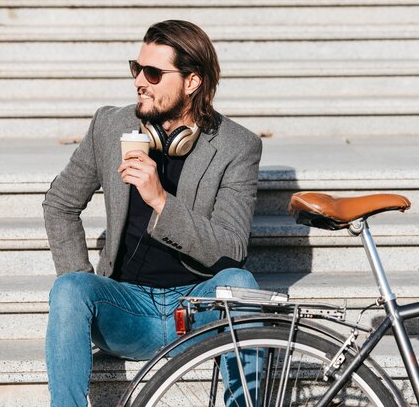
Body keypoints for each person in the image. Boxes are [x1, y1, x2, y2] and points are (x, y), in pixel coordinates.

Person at [42, 20, 262, 407]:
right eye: (137, 68)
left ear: (192, 82)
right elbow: (60, 203)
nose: (139, 81)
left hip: (197, 308)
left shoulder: (235, 146)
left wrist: (160, 199)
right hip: (126, 308)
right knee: (69, 289)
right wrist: (80, 273)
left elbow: (232, 246)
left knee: (240, 282)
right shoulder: (111, 127)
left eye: (154, 73)